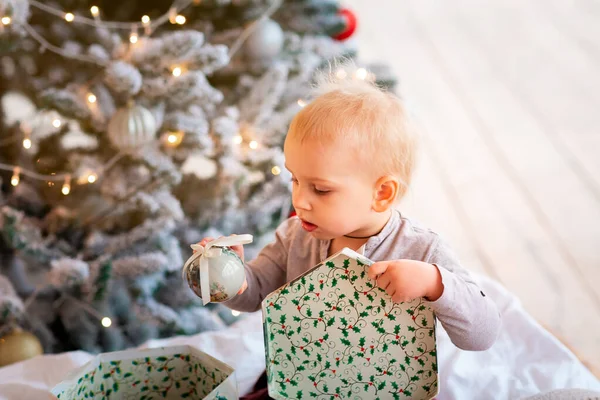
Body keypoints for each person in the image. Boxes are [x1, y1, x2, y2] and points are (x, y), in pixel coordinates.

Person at [197, 60, 501, 399]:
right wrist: (232, 279)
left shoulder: (422, 250)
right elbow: (256, 294)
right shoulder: (294, 236)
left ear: (381, 193)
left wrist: (434, 283)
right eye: (295, 179)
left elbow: (483, 334)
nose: (300, 199)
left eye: (321, 189)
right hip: (298, 384)